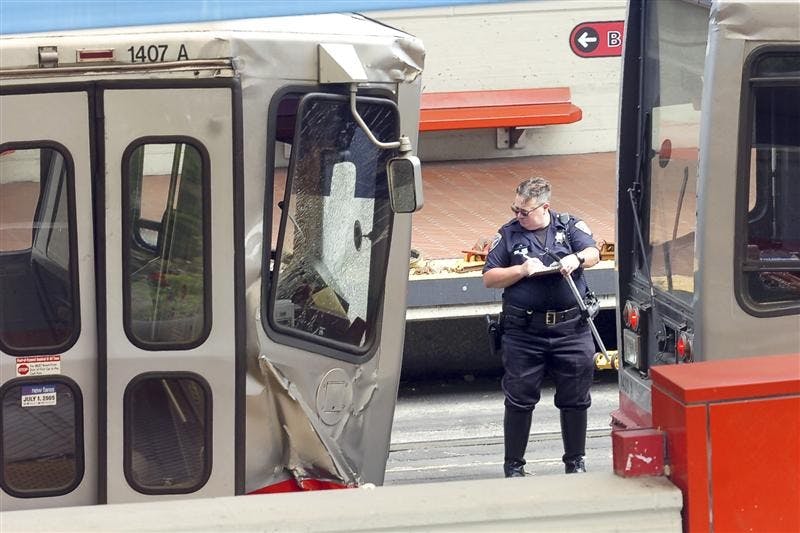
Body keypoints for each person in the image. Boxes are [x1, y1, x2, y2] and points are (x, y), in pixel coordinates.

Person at [482, 176, 600, 477]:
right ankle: (514, 467)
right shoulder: (508, 234)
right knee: (519, 398)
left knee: (576, 398)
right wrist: (521, 270)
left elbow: (593, 252)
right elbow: (489, 277)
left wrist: (576, 259)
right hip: (525, 331)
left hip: (570, 328)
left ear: (544, 207)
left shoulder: (568, 226)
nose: (518, 216)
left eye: (525, 211)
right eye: (515, 209)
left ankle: (575, 462)